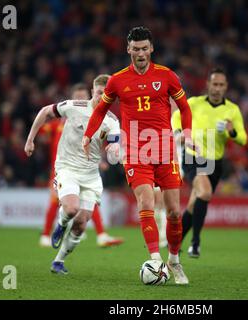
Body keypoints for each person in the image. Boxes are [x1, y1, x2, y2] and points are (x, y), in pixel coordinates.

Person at [82, 26, 194, 284]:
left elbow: (185, 108)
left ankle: (174, 261)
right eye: (136, 48)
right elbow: (100, 110)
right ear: (128, 49)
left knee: (174, 212)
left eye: (145, 48)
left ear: (151, 48)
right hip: (135, 151)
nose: (141, 53)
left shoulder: (166, 76)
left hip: (164, 149)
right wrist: (89, 134)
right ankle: (155, 261)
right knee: (145, 203)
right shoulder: (117, 80)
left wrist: (187, 132)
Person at [25, 74, 121, 274]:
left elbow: (114, 143)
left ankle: (58, 261)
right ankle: (60, 225)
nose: (102, 97)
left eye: (107, 95)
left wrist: (114, 149)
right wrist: (30, 139)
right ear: (93, 91)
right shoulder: (74, 106)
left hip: (91, 175)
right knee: (70, 209)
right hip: (67, 168)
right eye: (99, 93)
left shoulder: (112, 121)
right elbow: (45, 112)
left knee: (81, 223)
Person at [171, 68, 247, 258]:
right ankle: (195, 243)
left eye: (221, 85)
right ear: (208, 85)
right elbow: (175, 117)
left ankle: (175, 242)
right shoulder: (194, 103)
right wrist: (179, 133)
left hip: (215, 163)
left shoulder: (232, 109)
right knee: (204, 192)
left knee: (193, 204)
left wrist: (231, 132)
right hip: (192, 157)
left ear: (226, 87)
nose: (217, 88)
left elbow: (243, 139)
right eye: (214, 84)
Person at [39, 83, 124, 248]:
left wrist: (102, 160)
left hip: (85, 168)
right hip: (63, 167)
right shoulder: (61, 120)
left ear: (88, 97)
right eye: (76, 97)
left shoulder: (95, 119)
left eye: (81, 97)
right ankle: (45, 234)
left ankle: (100, 234)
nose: (79, 99)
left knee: (88, 201)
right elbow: (44, 132)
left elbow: (97, 144)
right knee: (55, 200)